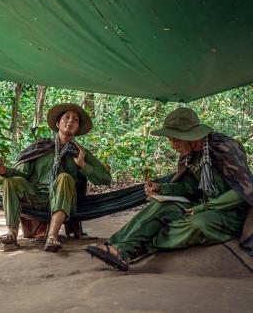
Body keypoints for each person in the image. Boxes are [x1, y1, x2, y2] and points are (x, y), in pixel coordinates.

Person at [86, 107, 253, 271]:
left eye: (176, 139)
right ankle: (117, 248)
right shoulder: (188, 154)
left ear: (191, 136)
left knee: (198, 223)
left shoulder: (224, 148)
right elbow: (189, 187)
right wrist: (162, 188)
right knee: (160, 206)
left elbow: (244, 191)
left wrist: (205, 207)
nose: (173, 146)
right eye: (170, 140)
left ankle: (140, 247)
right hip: (200, 205)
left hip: (232, 213)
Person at [0, 103, 111, 252]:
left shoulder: (81, 152)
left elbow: (106, 179)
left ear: (77, 128)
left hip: (64, 200)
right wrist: (3, 170)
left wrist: (83, 165)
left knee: (65, 177)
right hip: (36, 197)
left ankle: (52, 237)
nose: (70, 121)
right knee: (10, 181)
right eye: (66, 117)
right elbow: (22, 174)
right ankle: (11, 234)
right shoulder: (40, 146)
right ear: (57, 123)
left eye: (75, 120)